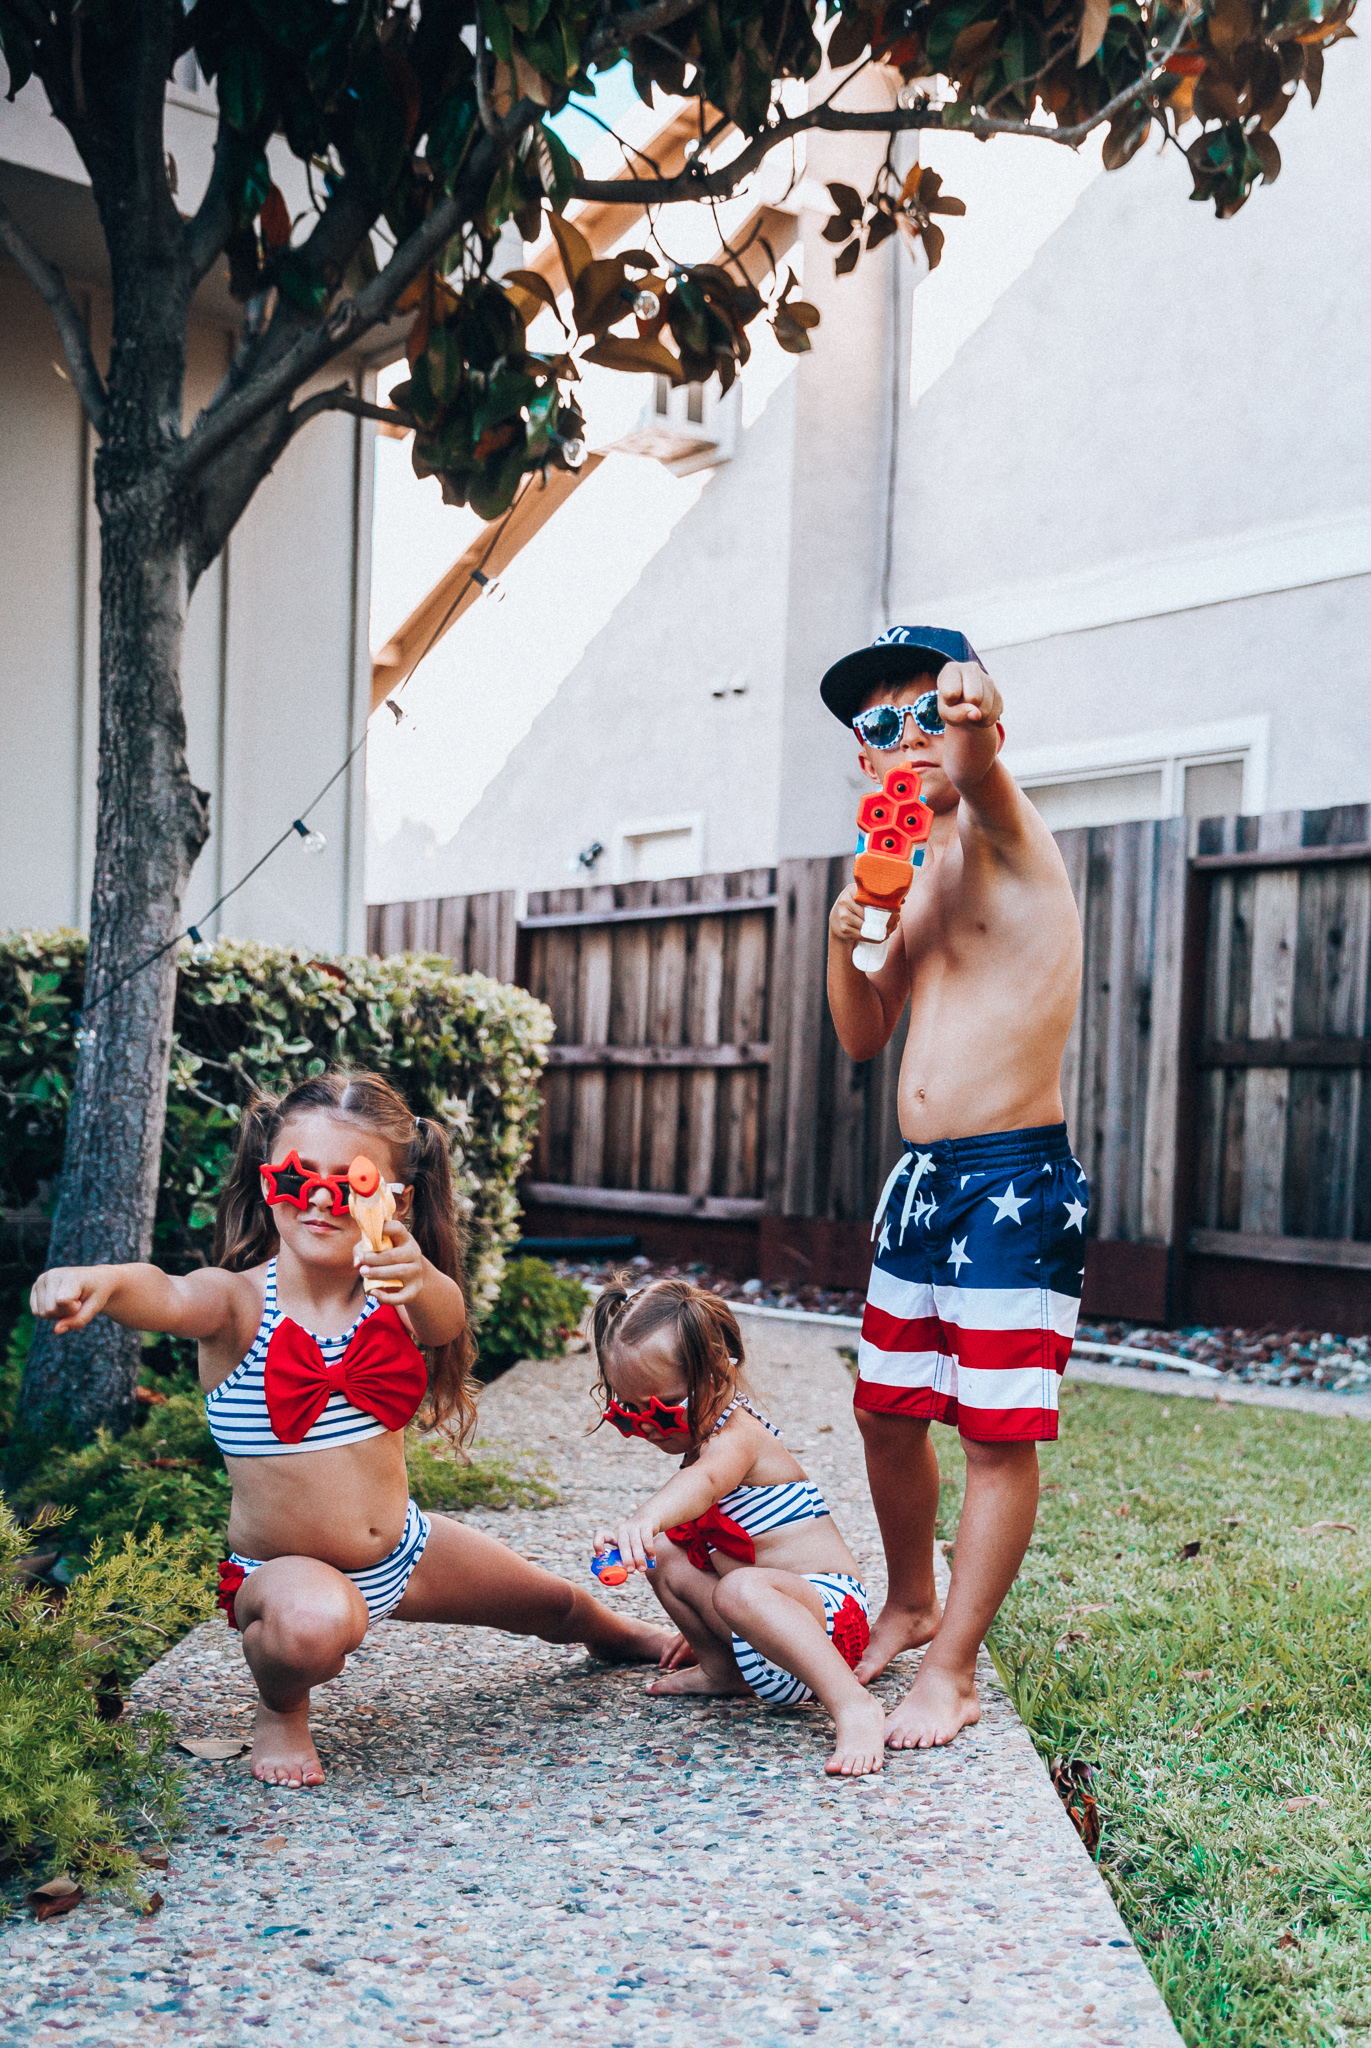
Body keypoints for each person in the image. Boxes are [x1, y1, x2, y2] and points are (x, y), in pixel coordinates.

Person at [29, 1070, 672, 1789]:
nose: (321, 1200)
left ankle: (618, 1638)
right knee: (313, 1627)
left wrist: (417, 1273)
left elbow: (446, 1316)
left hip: (405, 1549)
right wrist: (103, 1282)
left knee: (552, 1605)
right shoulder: (236, 1303)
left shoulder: (396, 1295)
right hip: (282, 1579)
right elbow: (167, 1291)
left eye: (351, 1184)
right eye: (299, 1180)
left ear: (395, 1201)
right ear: (269, 1180)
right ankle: (281, 1706)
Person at [822, 626, 1086, 1749]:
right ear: (867, 763)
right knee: (884, 1411)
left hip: (1011, 1182)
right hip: (920, 1185)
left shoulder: (1004, 832)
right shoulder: (905, 869)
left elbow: (977, 765)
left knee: (993, 1431)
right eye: (882, 725)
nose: (909, 735)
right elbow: (862, 1035)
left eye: (925, 709)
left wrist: (969, 717)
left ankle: (956, 1666)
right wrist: (847, 939)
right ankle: (909, 1595)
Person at [589, 1276, 886, 1777]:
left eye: (659, 1410)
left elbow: (703, 1485)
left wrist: (646, 1515)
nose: (645, 1426)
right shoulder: (700, 1440)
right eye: (627, 1412)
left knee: (739, 1588)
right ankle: (723, 1669)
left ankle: (852, 1703)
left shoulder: (739, 1436)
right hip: (765, 1638)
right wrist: (632, 1540)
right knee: (664, 1552)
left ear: (716, 1372)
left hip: (828, 1625)